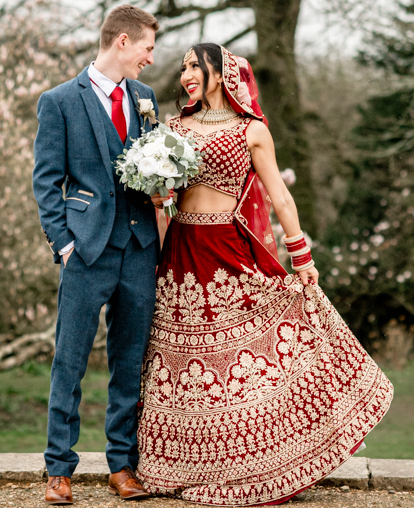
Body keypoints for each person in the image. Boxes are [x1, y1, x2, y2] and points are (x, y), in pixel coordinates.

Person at [135, 44, 394, 505]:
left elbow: (281, 199)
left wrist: (302, 256)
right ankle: (186, 465)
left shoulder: (252, 131)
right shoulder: (171, 129)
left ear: (221, 73)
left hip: (227, 249)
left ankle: (258, 464)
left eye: (196, 66)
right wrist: (157, 191)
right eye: (183, 68)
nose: (187, 74)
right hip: (180, 251)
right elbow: (163, 197)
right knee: (185, 362)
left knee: (238, 360)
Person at [33, 5, 169, 505]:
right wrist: (64, 245)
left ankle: (122, 466)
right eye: (148, 48)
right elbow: (46, 182)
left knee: (128, 361)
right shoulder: (59, 101)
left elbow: (153, 164)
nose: (150, 60)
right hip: (86, 250)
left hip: (138, 250)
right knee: (69, 359)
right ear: (123, 43)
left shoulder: (146, 98)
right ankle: (59, 470)